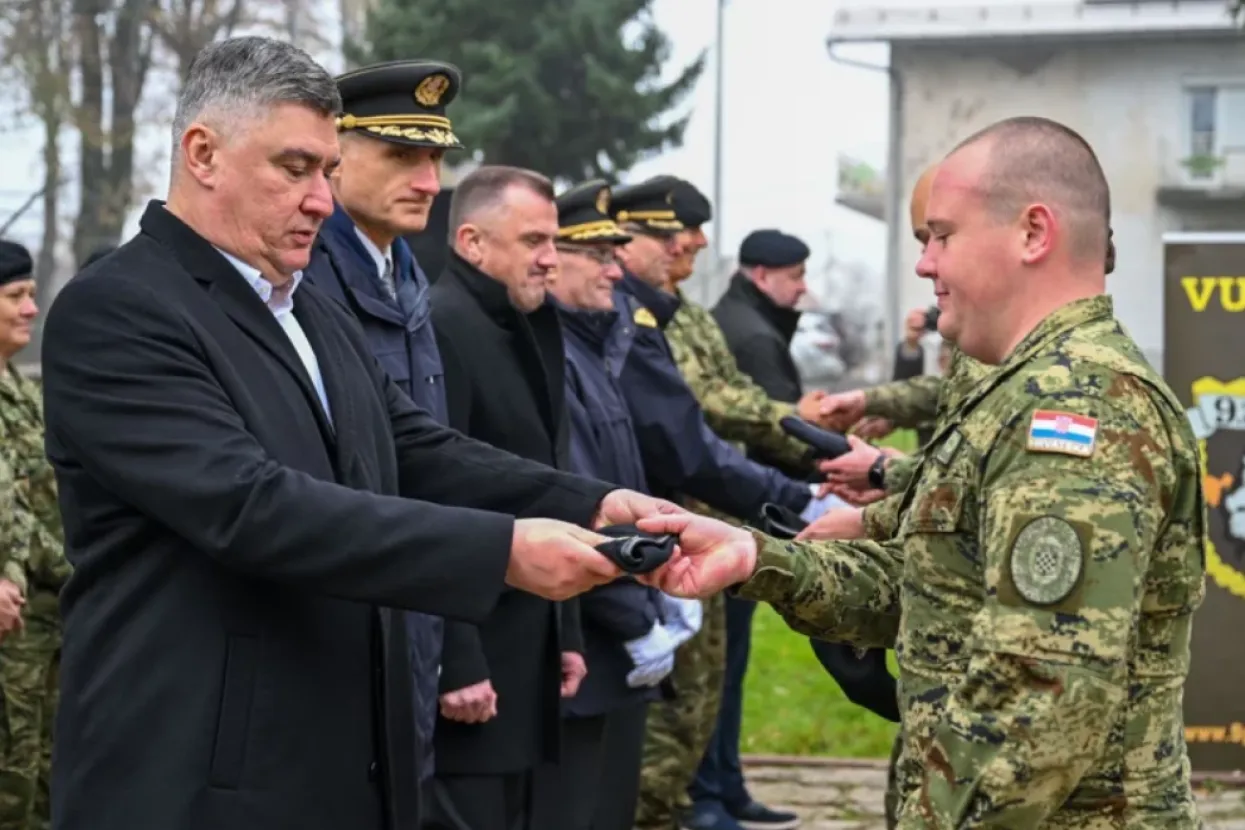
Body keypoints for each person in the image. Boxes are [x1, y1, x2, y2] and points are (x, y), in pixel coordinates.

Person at [38, 36, 676, 830]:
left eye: (329, 173)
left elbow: (413, 447)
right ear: (202, 152)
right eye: (295, 168)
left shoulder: (306, 306)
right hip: (197, 774)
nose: (320, 201)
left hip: (341, 761)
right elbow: (251, 507)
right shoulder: (121, 310)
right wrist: (501, 552)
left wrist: (597, 502)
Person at [639, 116, 1206, 828]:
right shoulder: (1017, 392)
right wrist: (755, 558)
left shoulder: (1073, 407)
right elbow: (932, 588)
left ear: (1033, 233)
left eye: (942, 236)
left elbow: (1040, 699)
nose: (924, 263)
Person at [302, 58, 463, 798]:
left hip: (414, 599)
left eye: (434, 159)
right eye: (402, 156)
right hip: (343, 608)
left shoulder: (401, 273)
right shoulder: (305, 278)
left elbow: (428, 454)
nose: (429, 182)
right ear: (333, 158)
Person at [424, 164, 596, 830]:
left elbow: (545, 476)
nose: (551, 260)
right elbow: (434, 491)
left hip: (529, 632)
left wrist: (567, 628)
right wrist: (454, 656)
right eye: (533, 242)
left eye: (552, 241)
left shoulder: (523, 323)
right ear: (471, 242)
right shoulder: (444, 327)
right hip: (478, 644)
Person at [533, 179, 698, 830]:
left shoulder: (595, 346)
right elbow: (571, 498)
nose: (612, 270)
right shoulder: (560, 355)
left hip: (613, 629)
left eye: (613, 255)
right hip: (589, 633)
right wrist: (633, 617)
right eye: (596, 256)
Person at [0, 239, 69, 830]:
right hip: (14, 621)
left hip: (45, 617)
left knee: (43, 782)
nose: (31, 308)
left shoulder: (22, 389)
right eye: (16, 296)